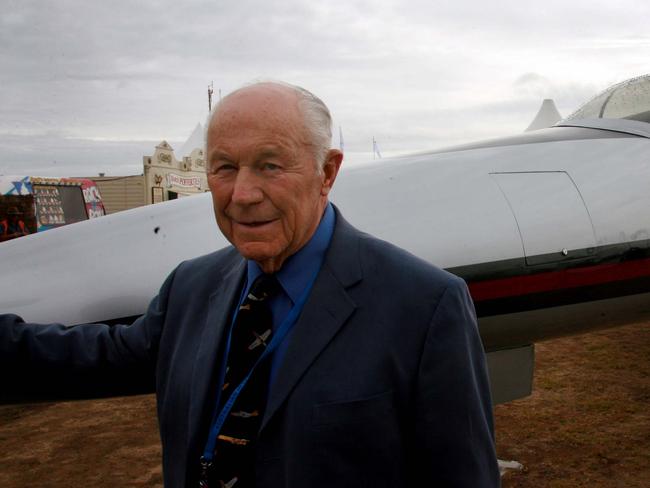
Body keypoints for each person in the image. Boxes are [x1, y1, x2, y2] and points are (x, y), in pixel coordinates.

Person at [0, 82, 500, 487]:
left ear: (327, 172)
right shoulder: (192, 287)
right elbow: (98, 358)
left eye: (269, 165)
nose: (242, 194)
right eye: (224, 168)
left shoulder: (424, 305)